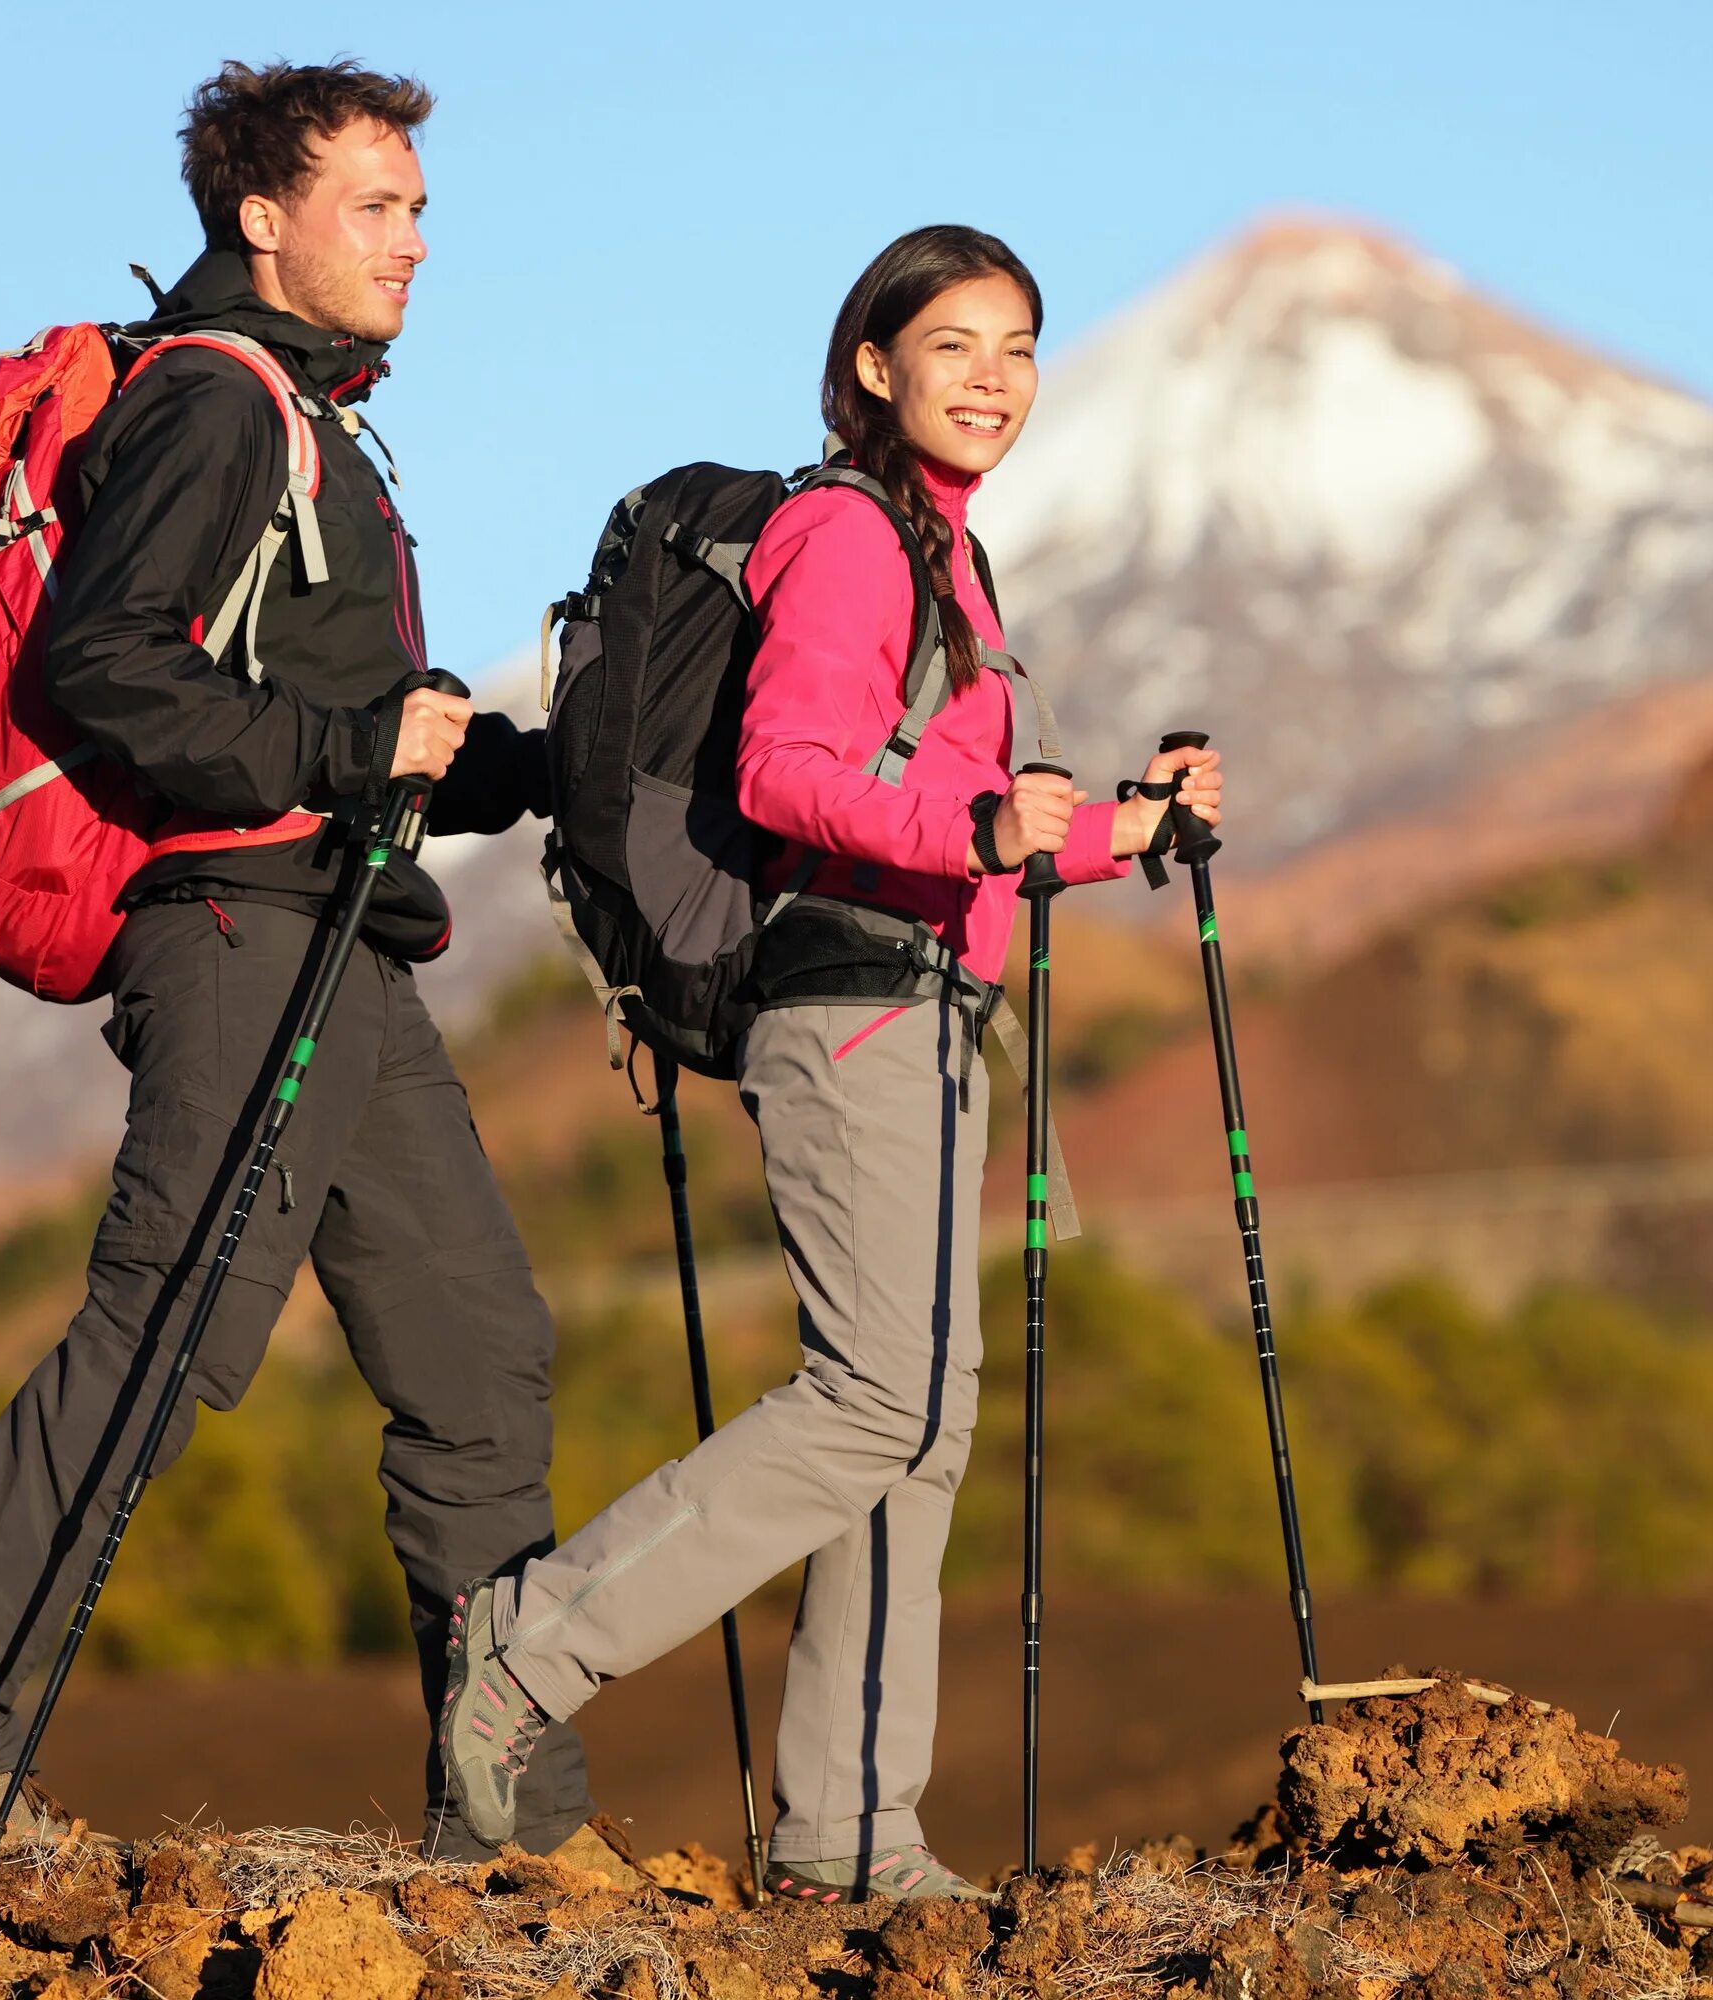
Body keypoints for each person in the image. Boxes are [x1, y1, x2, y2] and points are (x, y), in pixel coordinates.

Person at [0, 59, 616, 1875]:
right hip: (244, 939)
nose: (418, 238)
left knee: (479, 1356)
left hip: (349, 953)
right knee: (161, 1334)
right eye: (378, 205)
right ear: (263, 219)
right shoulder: (215, 402)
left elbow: (362, 731)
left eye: (419, 205)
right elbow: (109, 665)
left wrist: (546, 759)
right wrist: (353, 759)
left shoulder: (322, 425)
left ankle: (515, 1828)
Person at [435, 225, 1223, 1898]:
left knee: (917, 1429)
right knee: (878, 1397)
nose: (995, 376)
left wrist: (1127, 832)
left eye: (1018, 345)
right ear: (874, 366)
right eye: (956, 345)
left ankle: (850, 1835)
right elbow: (793, 774)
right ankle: (530, 1648)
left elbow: (973, 834)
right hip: (853, 1006)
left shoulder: (954, 565)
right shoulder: (852, 535)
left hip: (934, 1004)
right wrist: (979, 817)